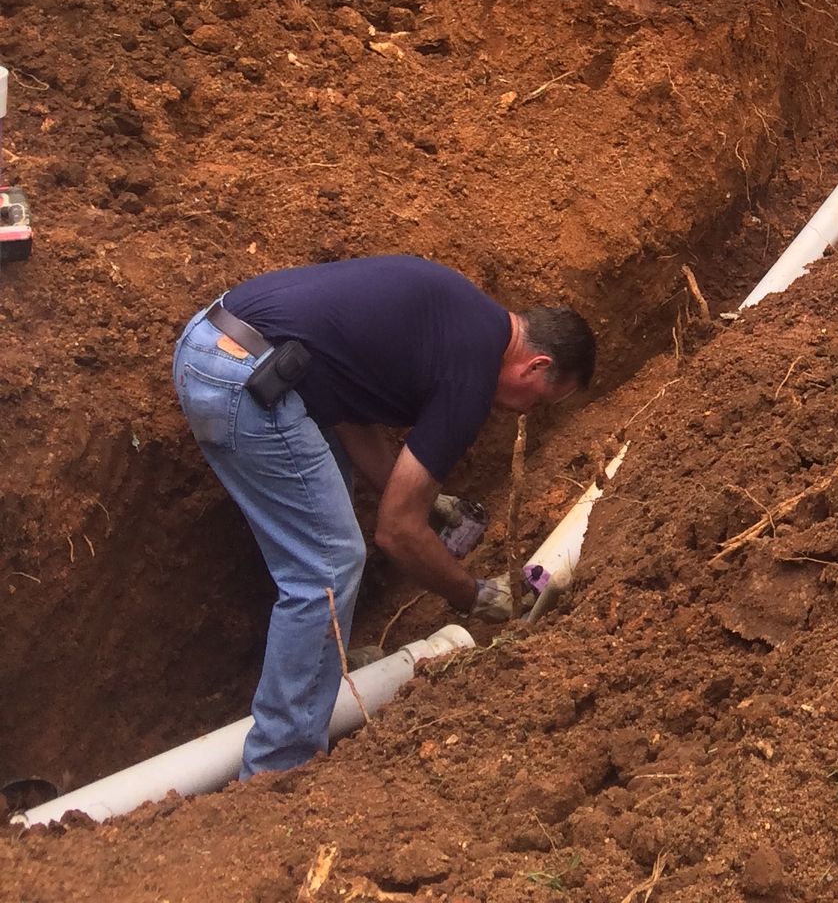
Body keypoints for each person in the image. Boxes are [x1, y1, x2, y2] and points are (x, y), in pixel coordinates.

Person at [171, 253, 595, 775]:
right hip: (245, 379)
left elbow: (349, 415)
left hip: (211, 343)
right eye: (542, 400)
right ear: (537, 366)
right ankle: (280, 768)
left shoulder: (464, 316)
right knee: (328, 564)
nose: (530, 412)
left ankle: (326, 675)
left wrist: (428, 502)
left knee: (326, 529)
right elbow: (395, 531)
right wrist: (476, 596)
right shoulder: (471, 376)